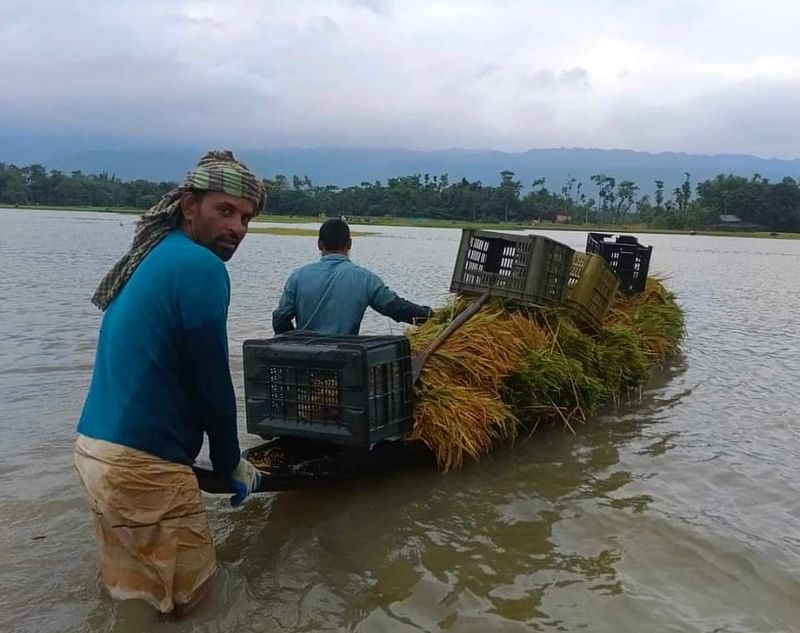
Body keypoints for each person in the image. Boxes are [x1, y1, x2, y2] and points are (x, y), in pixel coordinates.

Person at [73, 151, 265, 617]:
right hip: (143, 466)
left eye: (245, 217)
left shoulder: (155, 259)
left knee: (137, 601)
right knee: (196, 605)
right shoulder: (201, 267)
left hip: (96, 453)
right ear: (188, 206)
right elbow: (212, 379)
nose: (237, 227)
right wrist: (229, 462)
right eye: (225, 210)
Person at [272, 218, 433, 335]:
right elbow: (397, 308)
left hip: (304, 359)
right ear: (349, 244)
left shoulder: (298, 277)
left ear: (320, 244)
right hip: (346, 361)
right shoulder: (365, 279)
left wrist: (295, 342)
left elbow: (280, 319)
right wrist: (432, 317)